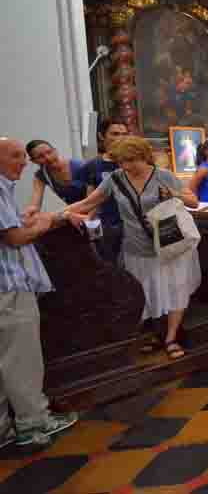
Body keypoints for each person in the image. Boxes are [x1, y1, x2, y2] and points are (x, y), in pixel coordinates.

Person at [65, 136, 201, 361]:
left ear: (143, 156)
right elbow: (88, 203)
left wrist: (173, 194)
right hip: (136, 246)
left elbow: (193, 201)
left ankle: (171, 337)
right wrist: (57, 215)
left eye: (131, 161)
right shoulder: (115, 179)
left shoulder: (163, 176)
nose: (126, 166)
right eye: (121, 162)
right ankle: (154, 333)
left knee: (175, 289)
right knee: (143, 293)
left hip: (167, 243)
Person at [0, 138, 79, 451]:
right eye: (17, 156)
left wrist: (26, 220)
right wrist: (45, 222)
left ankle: (5, 429)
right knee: (22, 361)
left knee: (6, 360)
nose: (24, 162)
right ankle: (34, 424)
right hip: (10, 287)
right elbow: (15, 238)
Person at [79, 118, 130, 263]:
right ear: (102, 136)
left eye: (124, 134)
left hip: (134, 226)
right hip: (108, 228)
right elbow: (90, 201)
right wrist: (90, 227)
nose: (120, 138)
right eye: (115, 134)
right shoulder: (93, 166)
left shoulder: (136, 162)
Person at [23, 140, 87, 216]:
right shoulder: (41, 176)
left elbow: (92, 201)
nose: (48, 158)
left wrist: (60, 214)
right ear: (34, 161)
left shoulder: (81, 166)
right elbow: (35, 204)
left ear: (55, 151)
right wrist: (30, 212)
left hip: (96, 209)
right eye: (40, 156)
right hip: (77, 213)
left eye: (49, 152)